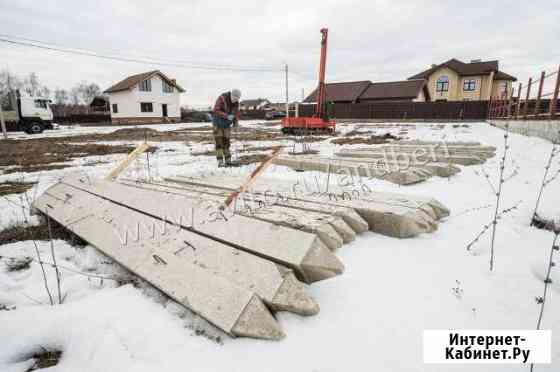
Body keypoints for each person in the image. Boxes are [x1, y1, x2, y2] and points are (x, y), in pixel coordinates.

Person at [212, 89, 241, 167]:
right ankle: (220, 162)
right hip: (217, 123)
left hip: (226, 125)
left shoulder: (236, 103)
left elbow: (236, 114)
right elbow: (216, 110)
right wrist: (226, 116)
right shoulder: (222, 98)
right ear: (231, 95)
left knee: (226, 143)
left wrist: (236, 124)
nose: (235, 100)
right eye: (235, 98)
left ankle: (228, 161)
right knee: (219, 143)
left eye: (237, 99)